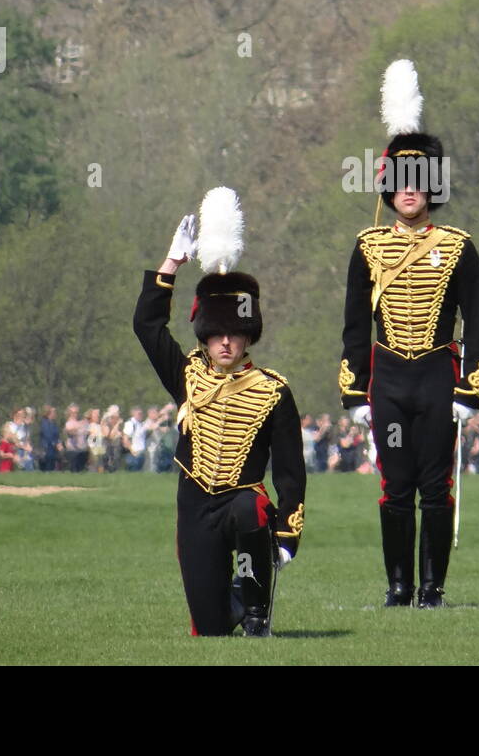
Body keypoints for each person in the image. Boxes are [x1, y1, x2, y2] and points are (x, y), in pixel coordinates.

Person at [340, 64, 479, 608]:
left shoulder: (457, 245)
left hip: (436, 374)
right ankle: (398, 586)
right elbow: (356, 327)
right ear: (388, 189)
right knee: (394, 488)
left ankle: (432, 589)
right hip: (387, 378)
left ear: (432, 188)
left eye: (419, 183)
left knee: (436, 487)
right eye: (400, 183)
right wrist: (356, 391)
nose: (410, 192)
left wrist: (470, 388)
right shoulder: (367, 246)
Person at [134, 198, 306, 637]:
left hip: (241, 501)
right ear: (205, 336)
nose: (225, 342)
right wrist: (172, 263)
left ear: (248, 335)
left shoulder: (273, 391)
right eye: (216, 334)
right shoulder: (186, 375)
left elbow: (290, 471)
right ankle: (235, 595)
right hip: (195, 503)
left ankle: (256, 608)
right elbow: (147, 326)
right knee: (210, 627)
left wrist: (287, 531)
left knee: (251, 510)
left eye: (234, 333)